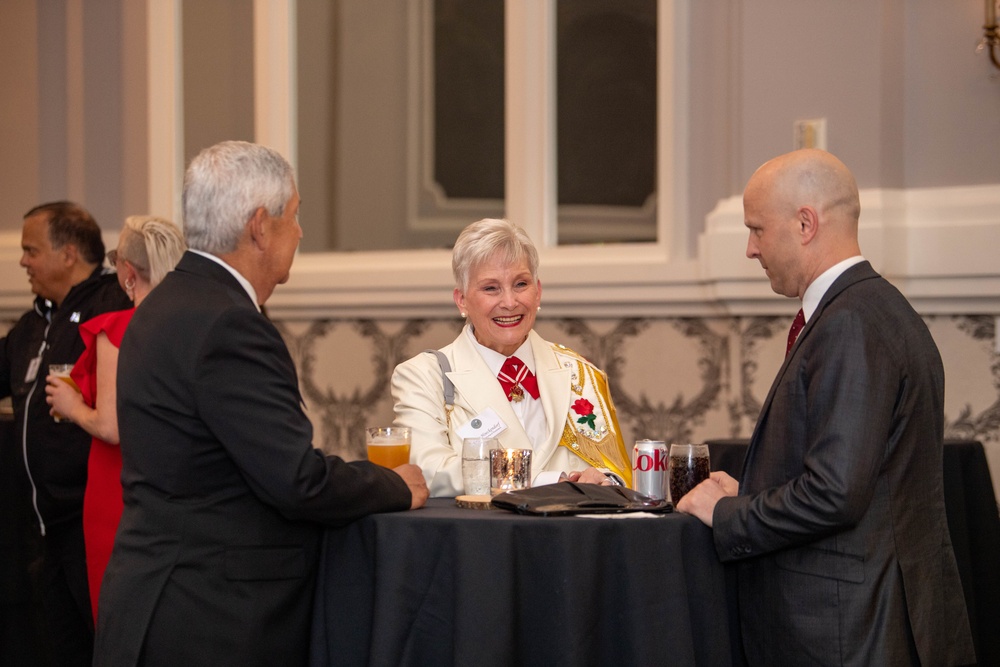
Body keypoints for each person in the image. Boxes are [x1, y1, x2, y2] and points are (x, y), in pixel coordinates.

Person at [92, 140, 428, 666]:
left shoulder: (163, 305)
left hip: (154, 597)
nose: (300, 231)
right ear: (259, 226)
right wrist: (393, 484)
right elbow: (296, 480)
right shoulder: (227, 322)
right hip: (211, 619)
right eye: (294, 216)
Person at [677, 149, 976, 666]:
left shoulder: (849, 325)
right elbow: (862, 474)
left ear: (806, 223)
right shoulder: (873, 308)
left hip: (849, 630)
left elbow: (835, 494)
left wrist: (728, 513)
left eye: (757, 230)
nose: (750, 249)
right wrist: (749, 491)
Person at [392, 218, 631, 497]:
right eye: (491, 288)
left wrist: (604, 481)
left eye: (520, 284)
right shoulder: (423, 376)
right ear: (462, 300)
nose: (509, 302)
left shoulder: (578, 373)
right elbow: (425, 473)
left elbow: (618, 475)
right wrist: (551, 480)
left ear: (538, 291)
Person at [0, 201, 131, 666]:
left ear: (69, 253)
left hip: (92, 523)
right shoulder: (35, 322)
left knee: (104, 646)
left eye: (31, 250)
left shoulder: (113, 305)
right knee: (58, 649)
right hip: (43, 527)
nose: (22, 262)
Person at [45, 215, 186, 624]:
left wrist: (71, 406)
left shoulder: (118, 329)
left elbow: (111, 427)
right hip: (171, 484)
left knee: (118, 613)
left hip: (118, 486)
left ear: (127, 273)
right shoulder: (186, 327)